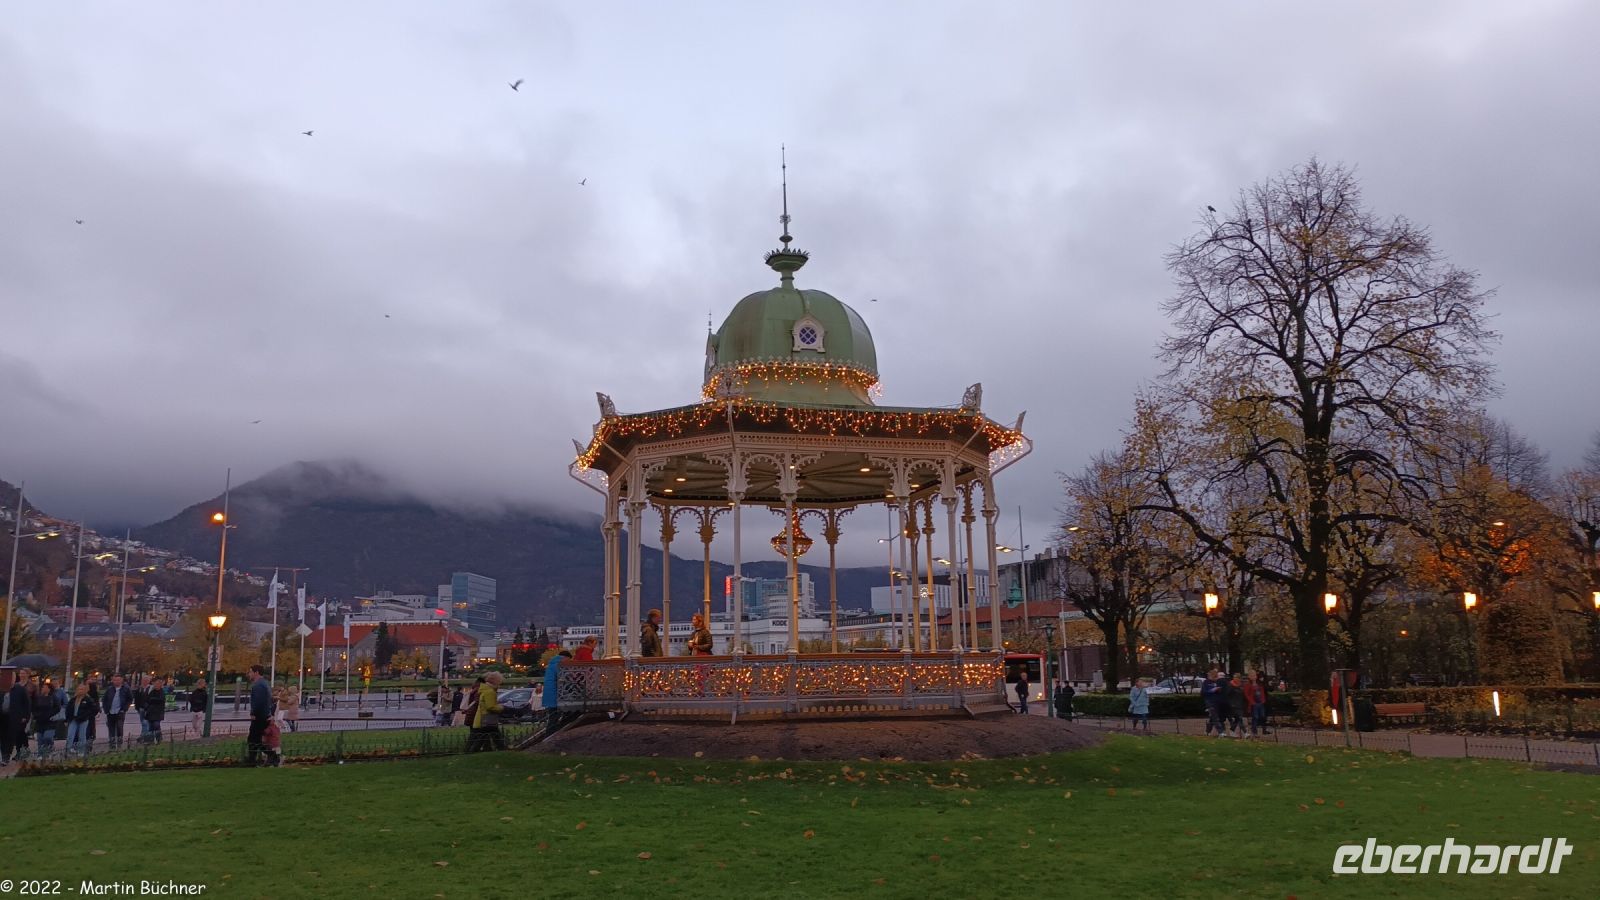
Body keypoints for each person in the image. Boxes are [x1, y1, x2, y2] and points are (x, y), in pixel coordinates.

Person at [468, 672, 506, 752]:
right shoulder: (490, 692)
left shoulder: (484, 690)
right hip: (487, 719)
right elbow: (490, 707)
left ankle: (502, 749)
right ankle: (503, 750)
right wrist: (501, 707)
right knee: (494, 735)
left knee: (482, 738)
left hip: (482, 719)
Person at [2, 668, 33, 763]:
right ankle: (3, 753)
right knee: (2, 736)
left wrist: (25, 717)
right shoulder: (2, 689)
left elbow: (27, 704)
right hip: (2, 716)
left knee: (10, 736)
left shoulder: (20, 689)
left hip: (14, 717)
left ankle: (6, 756)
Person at [246, 665, 274, 765]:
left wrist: (253, 713)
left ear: (256, 672)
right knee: (256, 739)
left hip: (259, 716)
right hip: (264, 715)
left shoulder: (258, 685)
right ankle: (253, 759)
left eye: (250, 672)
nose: (249, 674)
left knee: (253, 739)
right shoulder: (264, 684)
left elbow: (258, 702)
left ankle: (271, 755)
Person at [32, 677, 64, 758]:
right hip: (40, 721)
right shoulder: (38, 698)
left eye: (45, 687)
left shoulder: (53, 698)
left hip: (50, 722)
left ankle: (49, 748)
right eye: (42, 687)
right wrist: (36, 715)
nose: (43, 688)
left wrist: (51, 714)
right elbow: (34, 707)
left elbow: (58, 708)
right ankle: (41, 754)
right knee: (40, 739)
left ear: (49, 689)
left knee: (47, 737)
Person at [65, 681, 99, 755]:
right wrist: (67, 719)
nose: (80, 691)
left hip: (83, 720)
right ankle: (68, 750)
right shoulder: (73, 699)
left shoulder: (88, 699)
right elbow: (68, 709)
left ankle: (81, 751)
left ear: (85, 690)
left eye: (82, 689)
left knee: (82, 736)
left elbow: (95, 709)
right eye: (79, 689)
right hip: (73, 719)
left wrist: (87, 715)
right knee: (70, 735)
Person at [542, 649, 572, 734]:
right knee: (553, 719)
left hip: (550, 695)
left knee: (552, 718)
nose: (568, 662)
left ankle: (550, 734)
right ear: (565, 658)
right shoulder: (558, 665)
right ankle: (550, 736)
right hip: (554, 696)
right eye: (568, 660)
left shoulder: (552, 664)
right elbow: (562, 679)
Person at [102, 674, 133, 749]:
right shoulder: (110, 689)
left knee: (119, 727)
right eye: (115, 680)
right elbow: (104, 699)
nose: (117, 682)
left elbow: (129, 699)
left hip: (120, 712)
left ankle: (119, 743)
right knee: (111, 728)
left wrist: (124, 709)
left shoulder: (126, 689)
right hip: (110, 712)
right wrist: (106, 710)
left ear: (121, 680)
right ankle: (112, 744)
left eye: (118, 680)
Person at [1200, 669, 1227, 737]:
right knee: (1215, 717)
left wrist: (1218, 690)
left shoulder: (1217, 682)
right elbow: (1203, 692)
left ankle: (1207, 731)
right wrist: (1212, 690)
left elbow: (1220, 692)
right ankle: (1221, 732)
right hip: (1209, 702)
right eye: (1215, 677)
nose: (1216, 678)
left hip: (1217, 702)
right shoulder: (1206, 682)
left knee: (1212, 717)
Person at [142, 676, 167, 743]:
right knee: (151, 726)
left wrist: (152, 700)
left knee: (156, 725)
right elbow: (147, 700)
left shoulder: (161, 692)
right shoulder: (152, 692)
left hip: (158, 712)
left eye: (158, 684)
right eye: (155, 684)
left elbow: (161, 700)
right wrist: (146, 707)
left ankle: (158, 738)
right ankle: (151, 739)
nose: (156, 685)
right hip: (150, 712)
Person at [1245, 671, 1270, 736]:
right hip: (1254, 703)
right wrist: (1252, 702)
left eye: (1254, 675)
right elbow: (1247, 695)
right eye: (1252, 675)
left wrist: (1263, 700)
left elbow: (1262, 693)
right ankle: (1254, 731)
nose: (1254, 677)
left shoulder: (1259, 684)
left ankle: (1264, 729)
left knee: (1262, 716)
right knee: (1255, 717)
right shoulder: (1248, 685)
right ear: (1249, 677)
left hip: (1260, 703)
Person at [1225, 674, 1249, 738]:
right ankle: (1245, 732)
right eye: (1235, 677)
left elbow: (1243, 695)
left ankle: (1232, 730)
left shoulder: (1241, 686)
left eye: (1238, 678)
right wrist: (1230, 703)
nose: (1236, 679)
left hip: (1240, 705)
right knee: (1239, 718)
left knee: (1237, 719)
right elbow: (1227, 695)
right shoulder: (1230, 685)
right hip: (1233, 705)